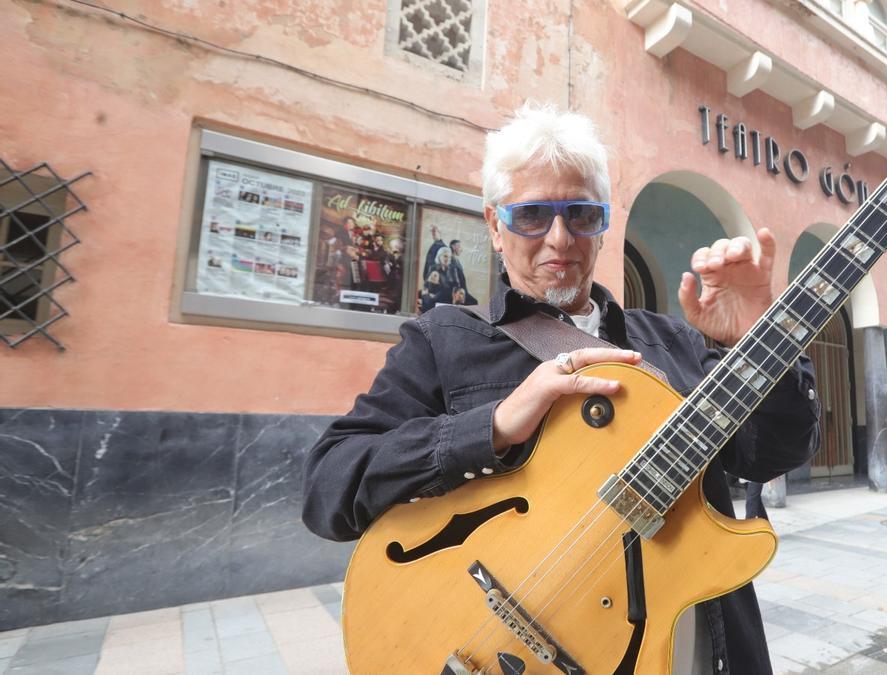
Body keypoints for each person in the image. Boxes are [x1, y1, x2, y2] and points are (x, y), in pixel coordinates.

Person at [302, 104, 821, 673]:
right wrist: (493, 426)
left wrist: (759, 342)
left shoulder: (674, 342)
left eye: (580, 214)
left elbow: (772, 454)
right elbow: (329, 489)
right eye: (530, 216)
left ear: (602, 225)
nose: (559, 238)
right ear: (495, 228)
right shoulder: (441, 341)